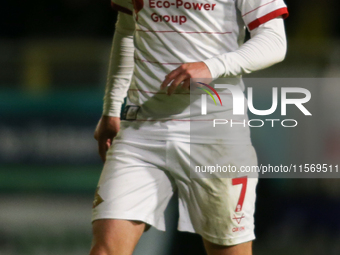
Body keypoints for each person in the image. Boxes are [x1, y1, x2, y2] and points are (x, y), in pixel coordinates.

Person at [90, 0, 288, 254]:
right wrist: (111, 108)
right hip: (142, 129)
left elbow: (274, 41)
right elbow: (128, 30)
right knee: (105, 249)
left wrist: (211, 66)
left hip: (215, 132)